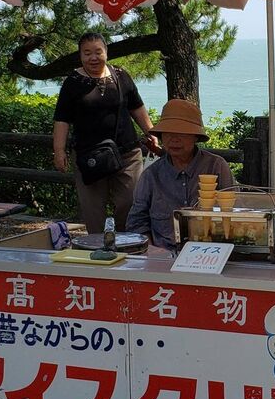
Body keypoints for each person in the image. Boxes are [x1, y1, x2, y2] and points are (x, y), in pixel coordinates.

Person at [52, 33, 159, 233]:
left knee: (131, 202)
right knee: (93, 210)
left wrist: (152, 133)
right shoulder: (72, 82)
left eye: (98, 52)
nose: (93, 57)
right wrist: (59, 151)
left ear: (106, 53)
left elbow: (137, 108)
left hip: (127, 153)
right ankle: (98, 247)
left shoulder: (121, 76)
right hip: (88, 156)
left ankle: (127, 243)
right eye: (87, 53)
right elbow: (62, 119)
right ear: (80, 55)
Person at [127, 98, 235, 249]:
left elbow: (233, 213)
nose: (174, 139)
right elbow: (137, 222)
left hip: (211, 252)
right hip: (163, 254)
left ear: (196, 137)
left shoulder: (216, 166)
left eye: (182, 133)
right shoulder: (151, 175)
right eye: (168, 133)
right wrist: (153, 252)